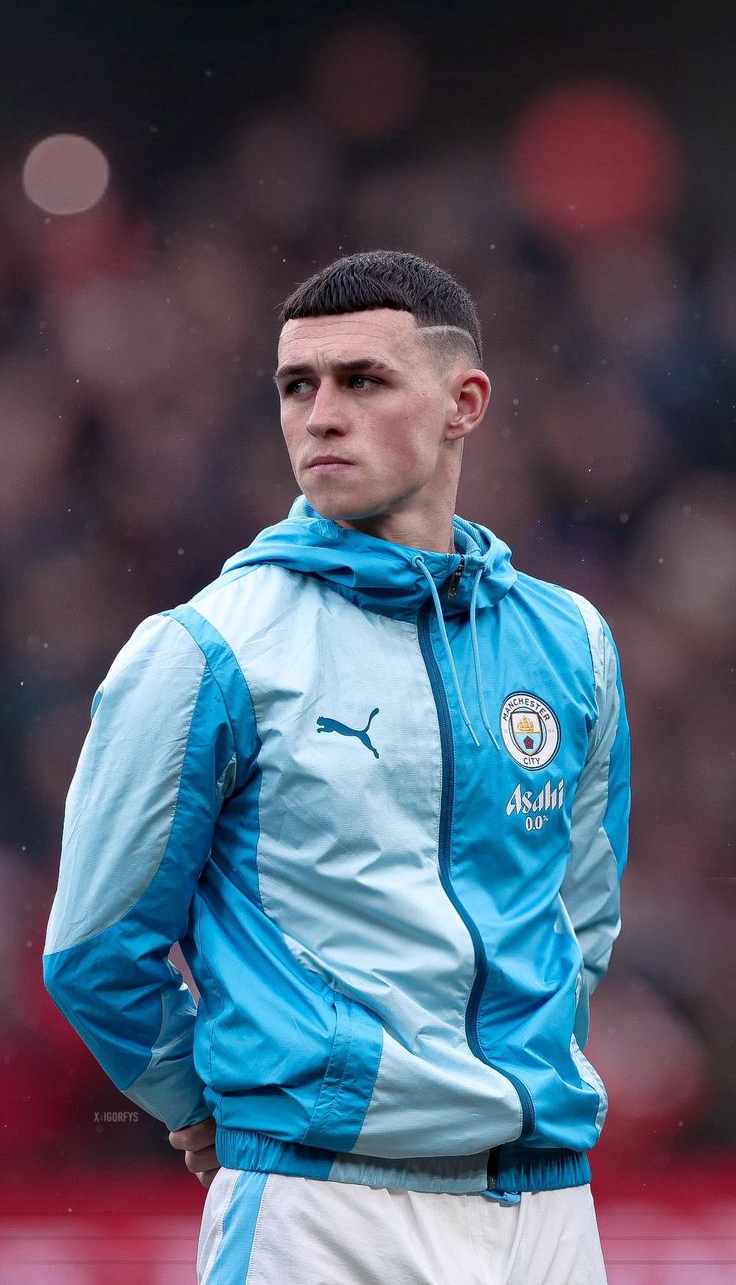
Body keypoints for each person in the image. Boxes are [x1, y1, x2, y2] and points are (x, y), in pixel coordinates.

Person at [43, 249, 630, 1284]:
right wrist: (211, 1104)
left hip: (547, 1209)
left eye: (361, 380)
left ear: (463, 403)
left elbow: (578, 919)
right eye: (296, 386)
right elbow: (95, 949)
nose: (319, 415)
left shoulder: (570, 643)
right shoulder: (204, 650)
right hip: (321, 1209)